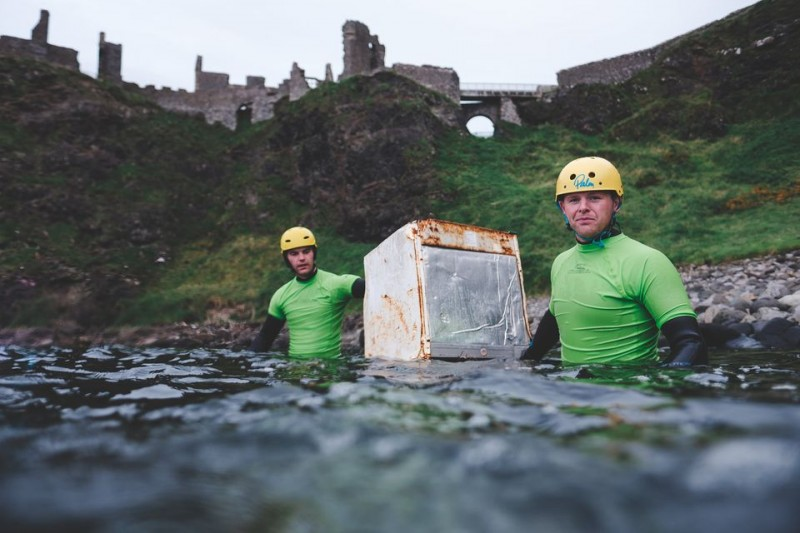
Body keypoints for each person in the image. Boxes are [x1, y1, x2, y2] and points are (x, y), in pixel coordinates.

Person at [522, 156, 707, 367]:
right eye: (573, 200)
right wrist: (525, 364)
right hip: (571, 396)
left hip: (627, 395)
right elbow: (556, 317)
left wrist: (657, 390)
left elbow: (692, 345)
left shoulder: (647, 261)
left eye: (594, 198)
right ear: (563, 208)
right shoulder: (561, 262)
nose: (583, 207)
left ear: (616, 203)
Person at [249, 226, 365, 358]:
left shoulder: (336, 284)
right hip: (295, 372)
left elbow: (372, 287)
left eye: (306, 251)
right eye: (294, 253)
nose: (301, 258)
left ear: (314, 253)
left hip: (329, 373)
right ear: (286, 258)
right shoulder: (281, 295)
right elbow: (264, 338)